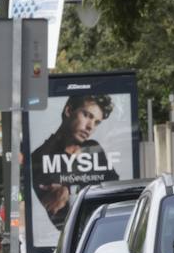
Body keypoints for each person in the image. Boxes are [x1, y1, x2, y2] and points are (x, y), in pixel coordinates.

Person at [29, 94, 120, 231]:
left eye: (96, 122)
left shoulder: (93, 148)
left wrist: (68, 189)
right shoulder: (40, 156)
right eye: (87, 115)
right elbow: (57, 210)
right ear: (69, 111)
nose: (90, 127)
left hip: (103, 229)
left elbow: (115, 190)